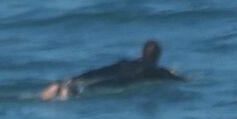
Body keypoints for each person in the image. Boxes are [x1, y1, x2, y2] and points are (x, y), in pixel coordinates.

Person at [38, 40, 180, 101]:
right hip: (122, 83)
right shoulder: (155, 70)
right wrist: (174, 75)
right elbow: (178, 80)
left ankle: (66, 83)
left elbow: (100, 71)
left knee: (95, 78)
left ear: (142, 52)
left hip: (116, 74)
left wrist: (77, 77)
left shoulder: (126, 63)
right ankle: (69, 91)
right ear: (158, 56)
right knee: (89, 91)